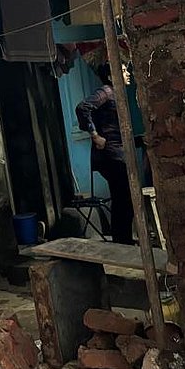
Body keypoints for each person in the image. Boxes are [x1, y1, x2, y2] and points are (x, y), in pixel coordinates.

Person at [76, 62, 134, 244]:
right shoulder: (107, 92)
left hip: (118, 152)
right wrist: (94, 135)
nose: (127, 73)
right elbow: (83, 107)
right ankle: (122, 241)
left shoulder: (116, 95)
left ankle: (123, 240)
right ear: (111, 77)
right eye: (123, 70)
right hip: (111, 155)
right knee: (123, 199)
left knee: (124, 199)